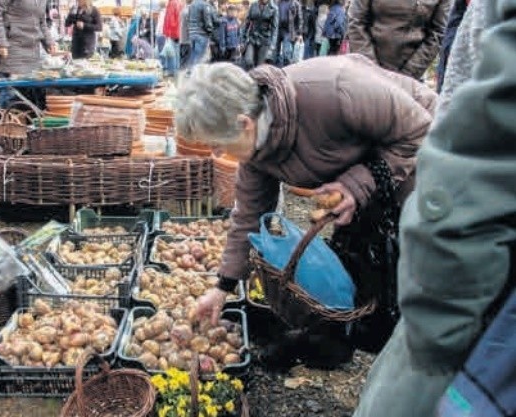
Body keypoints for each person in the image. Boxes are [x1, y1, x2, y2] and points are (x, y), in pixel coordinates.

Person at [177, 54, 437, 368]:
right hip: (367, 179)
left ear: (243, 123)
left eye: (216, 144)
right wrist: (223, 287)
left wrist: (357, 185)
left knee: (408, 278)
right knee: (353, 270)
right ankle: (338, 342)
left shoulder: (335, 90)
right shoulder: (256, 150)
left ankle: (415, 364)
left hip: (423, 165)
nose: (216, 153)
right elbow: (248, 216)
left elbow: (420, 130)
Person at [353, 1, 516, 415]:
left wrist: (433, 315)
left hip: (479, 249)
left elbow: (483, 149)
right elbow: (358, 22)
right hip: (466, 222)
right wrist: (372, 67)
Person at [347, 0, 451, 80]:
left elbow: (439, 32)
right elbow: (356, 21)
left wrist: (408, 73)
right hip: (367, 68)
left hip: (410, 73)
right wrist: (371, 68)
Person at [0, 0, 56, 108]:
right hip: (10, 49)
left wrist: (49, 42)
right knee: (11, 98)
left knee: (29, 100)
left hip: (32, 52)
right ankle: (8, 122)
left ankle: (26, 123)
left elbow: (41, 20)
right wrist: (0, 43)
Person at [240, 0, 279, 68]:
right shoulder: (253, 5)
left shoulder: (274, 8)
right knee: (248, 61)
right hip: (252, 39)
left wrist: (272, 47)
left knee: (260, 67)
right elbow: (246, 23)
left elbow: (274, 29)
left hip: (265, 41)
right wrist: (242, 40)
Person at [186, 0, 215, 71]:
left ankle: (189, 72)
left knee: (193, 55)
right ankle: (195, 75)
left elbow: (188, 18)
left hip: (192, 33)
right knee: (199, 57)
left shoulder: (192, 4)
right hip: (201, 34)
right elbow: (207, 21)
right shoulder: (204, 5)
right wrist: (210, 31)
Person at [274, 0, 303, 67]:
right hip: (278, 29)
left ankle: (286, 70)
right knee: (275, 52)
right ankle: (276, 69)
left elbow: (300, 19)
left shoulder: (295, 4)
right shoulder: (279, 2)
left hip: (289, 31)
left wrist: (299, 33)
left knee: (286, 53)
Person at [163, 0, 184, 76]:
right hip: (177, 32)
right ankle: (175, 71)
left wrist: (168, 33)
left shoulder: (172, 3)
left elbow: (170, 20)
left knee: (172, 53)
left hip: (173, 32)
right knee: (176, 52)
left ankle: (173, 72)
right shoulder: (180, 3)